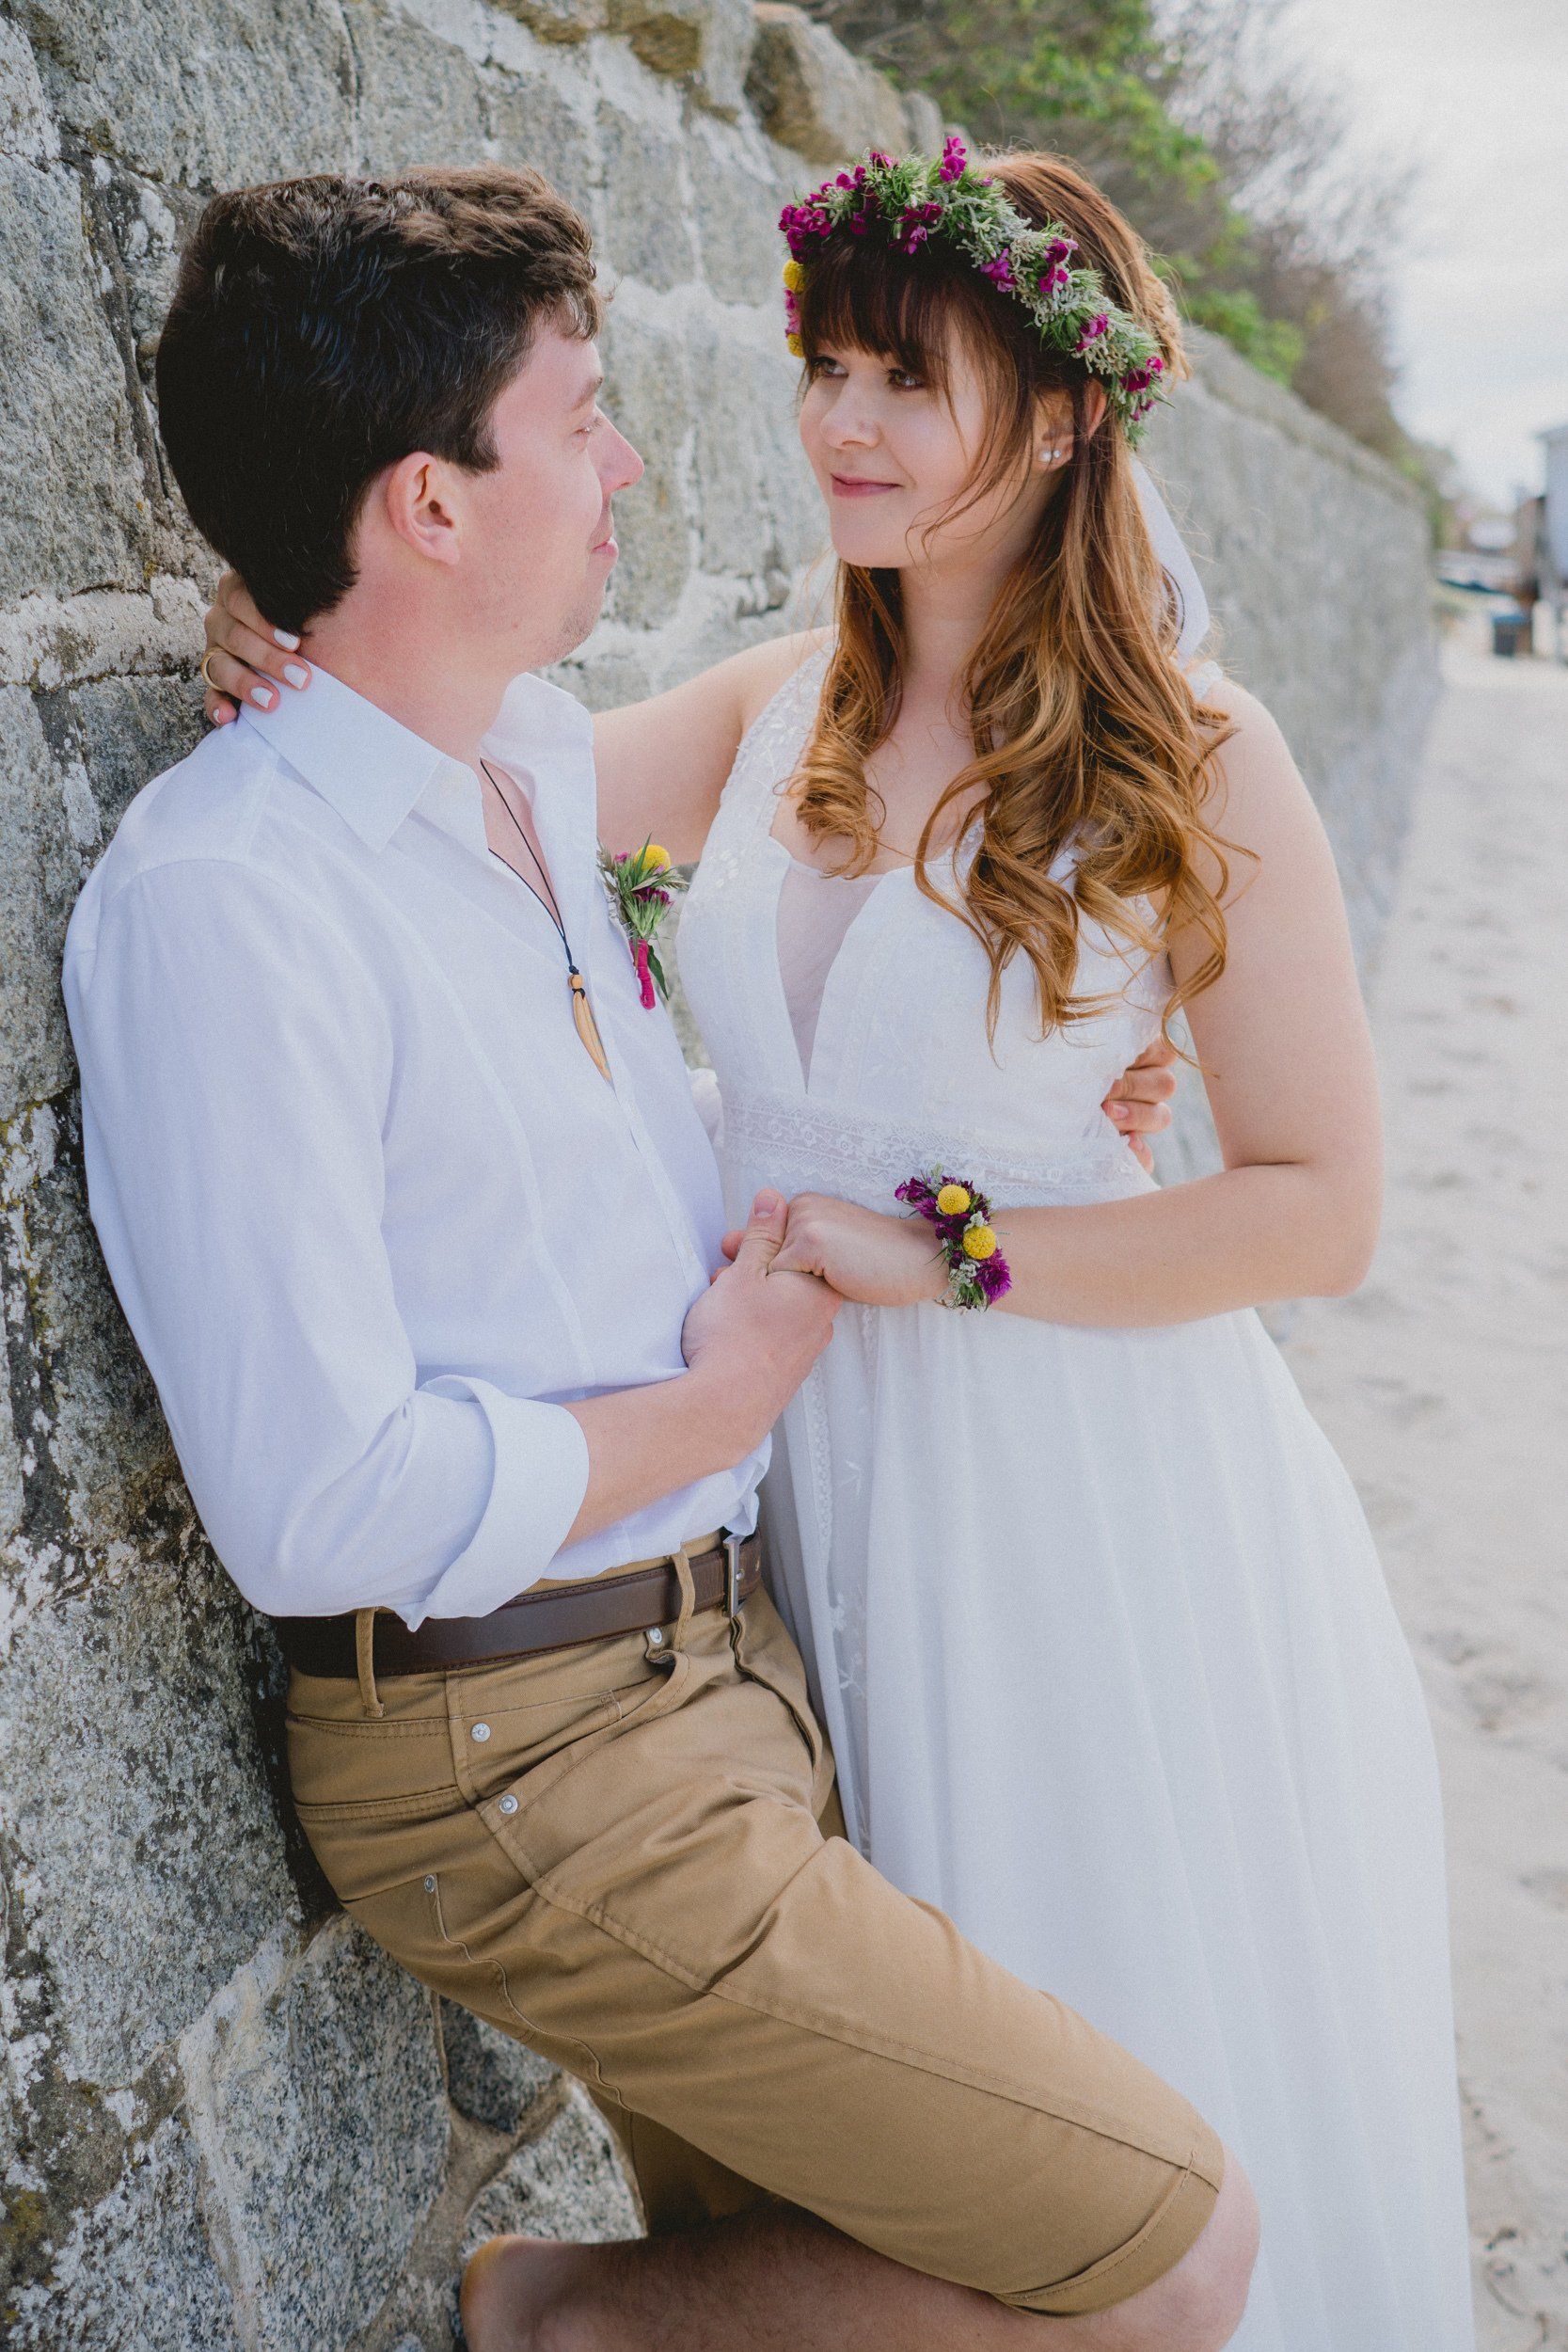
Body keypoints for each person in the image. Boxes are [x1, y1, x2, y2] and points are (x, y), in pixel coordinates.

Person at [201, 141, 1476, 2350]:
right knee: (922, 2091)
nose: (840, 424)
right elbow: (441, 778)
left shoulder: (1199, 758)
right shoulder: (767, 710)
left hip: (1083, 1500)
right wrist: (271, 632)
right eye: (825, 368)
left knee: (1101, 2038)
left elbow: (1320, 1203)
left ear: (1060, 418)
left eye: (906, 378)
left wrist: (955, 1251)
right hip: (798, 1489)